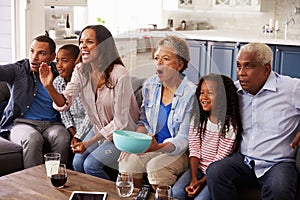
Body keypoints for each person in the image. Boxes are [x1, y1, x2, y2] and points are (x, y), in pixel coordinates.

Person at [39, 25, 140, 180]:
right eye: (81, 42)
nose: (83, 46)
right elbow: (65, 102)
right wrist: (49, 87)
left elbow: (121, 121)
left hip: (124, 134)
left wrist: (88, 142)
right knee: (78, 163)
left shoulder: (119, 73)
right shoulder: (81, 70)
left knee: (90, 165)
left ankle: (112, 195)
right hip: (100, 128)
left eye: (89, 42)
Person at [206, 42, 300, 200]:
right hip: (244, 160)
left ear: (266, 69)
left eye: (248, 66)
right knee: (215, 172)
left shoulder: (291, 88)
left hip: (278, 162)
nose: (241, 73)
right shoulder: (234, 92)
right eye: (238, 66)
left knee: (280, 188)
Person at [118, 35, 197, 190]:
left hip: (177, 151)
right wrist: (136, 142)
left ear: (179, 65)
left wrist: (157, 147)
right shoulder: (150, 85)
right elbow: (144, 121)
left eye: (166, 59)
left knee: (156, 167)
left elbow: (184, 139)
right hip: (151, 145)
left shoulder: (191, 94)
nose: (159, 63)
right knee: (128, 162)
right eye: (156, 58)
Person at [0, 35, 70, 168]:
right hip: (22, 124)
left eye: (41, 53)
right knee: (32, 138)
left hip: (52, 124)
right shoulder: (19, 69)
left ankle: (56, 179)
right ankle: (33, 185)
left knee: (63, 137)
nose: (34, 57)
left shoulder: (59, 72)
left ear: (52, 56)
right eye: (32, 51)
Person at [172, 73, 243, 200]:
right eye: (201, 92)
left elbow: (220, 158)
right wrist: (194, 179)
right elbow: (194, 149)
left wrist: (201, 182)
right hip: (197, 169)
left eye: (210, 93)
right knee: (176, 192)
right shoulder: (197, 118)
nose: (203, 97)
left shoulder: (230, 125)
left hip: (215, 174)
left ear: (223, 97)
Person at [53, 44, 93, 164]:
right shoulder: (58, 82)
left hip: (92, 128)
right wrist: (73, 134)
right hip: (75, 130)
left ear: (77, 62)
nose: (59, 65)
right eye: (57, 61)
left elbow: (91, 115)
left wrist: (78, 136)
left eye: (64, 61)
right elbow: (64, 113)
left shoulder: (88, 81)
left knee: (80, 163)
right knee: (77, 162)